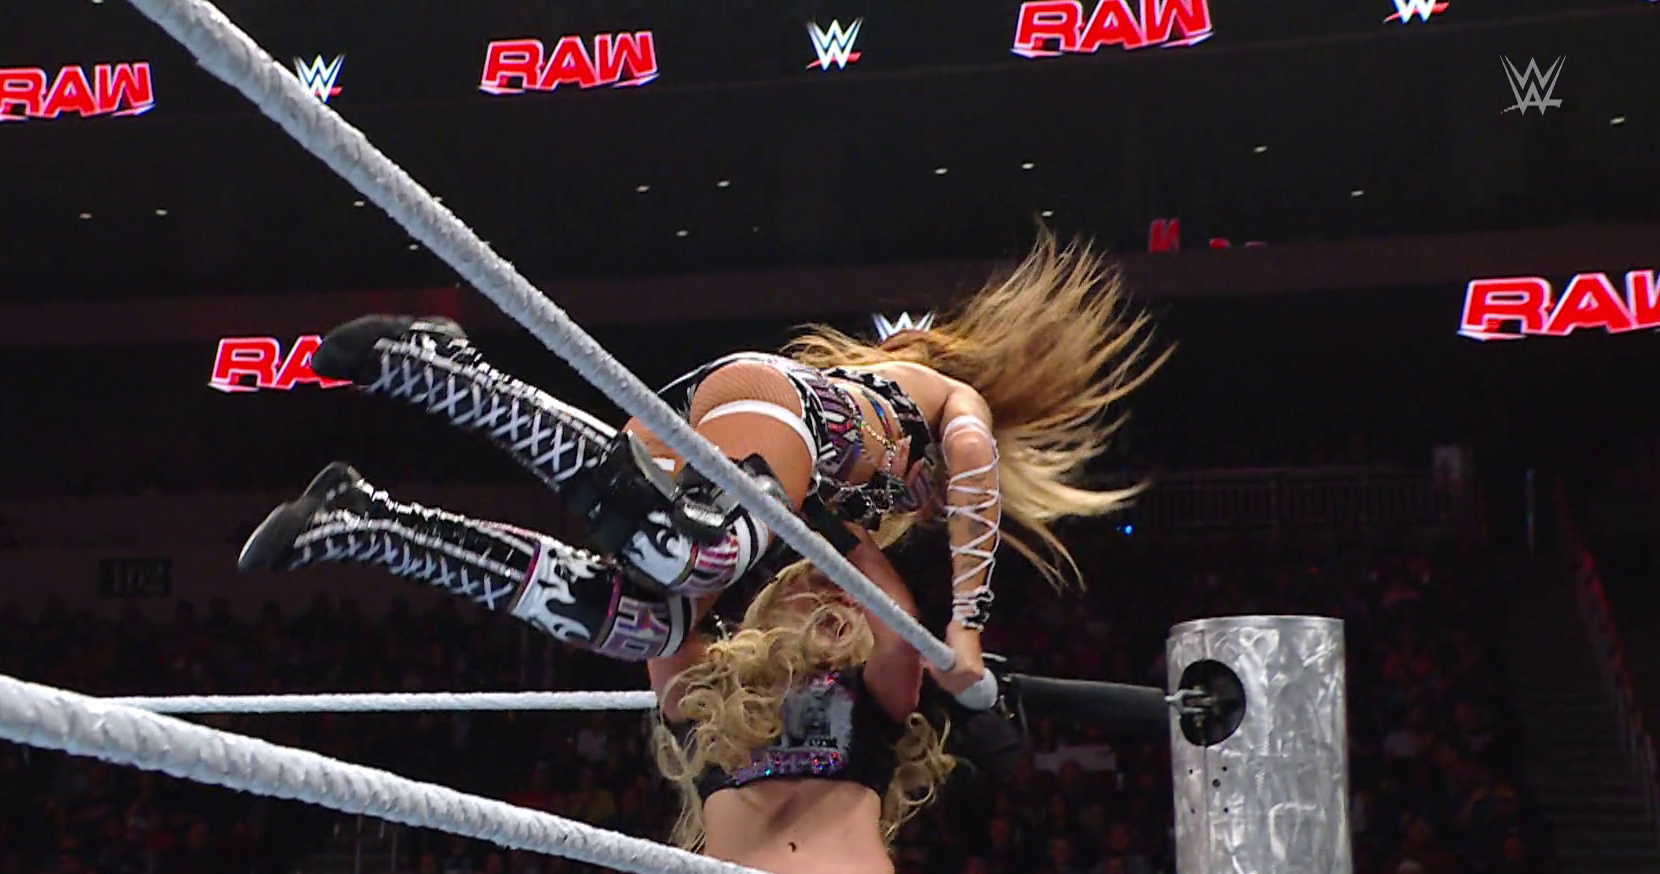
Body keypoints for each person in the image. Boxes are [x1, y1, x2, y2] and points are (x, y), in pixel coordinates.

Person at [240, 234, 1166, 702]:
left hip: (709, 441)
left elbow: (719, 608)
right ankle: (450, 370)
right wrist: (965, 631)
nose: (922, 503)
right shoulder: (948, 405)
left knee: (644, 619)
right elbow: (973, 471)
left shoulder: (840, 504)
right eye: (927, 499)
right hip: (777, 408)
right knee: (698, 557)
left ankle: (367, 522)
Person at [635, 547, 957, 874]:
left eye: (841, 587)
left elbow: (901, 632)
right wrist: (743, 534)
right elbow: (663, 622)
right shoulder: (708, 693)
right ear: (770, 604)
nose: (828, 593)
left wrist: (842, 532)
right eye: (807, 584)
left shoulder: (871, 690)